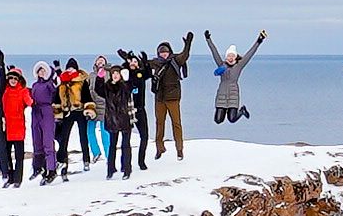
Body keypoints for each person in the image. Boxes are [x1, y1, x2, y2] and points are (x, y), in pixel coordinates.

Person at [145, 31, 194, 161]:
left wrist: (188, 44)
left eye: (165, 52)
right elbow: (141, 66)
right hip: (159, 98)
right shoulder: (155, 62)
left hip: (173, 98)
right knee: (159, 124)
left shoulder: (176, 60)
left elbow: (185, 55)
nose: (164, 54)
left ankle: (179, 149)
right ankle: (159, 148)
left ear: (170, 52)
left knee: (176, 123)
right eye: (161, 52)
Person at [206, 28, 266, 127]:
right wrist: (208, 39)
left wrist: (259, 41)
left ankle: (242, 111)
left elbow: (249, 54)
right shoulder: (221, 65)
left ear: (235, 57)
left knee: (232, 119)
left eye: (232, 56)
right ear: (226, 57)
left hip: (233, 95)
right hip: (222, 95)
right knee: (218, 120)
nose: (230, 58)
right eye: (228, 56)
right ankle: (227, 112)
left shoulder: (238, 66)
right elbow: (214, 52)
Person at [94, 55, 139, 179]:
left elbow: (132, 87)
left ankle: (127, 170)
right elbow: (98, 91)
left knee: (126, 145)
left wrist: (127, 78)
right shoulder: (107, 87)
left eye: (117, 73)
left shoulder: (124, 86)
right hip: (112, 120)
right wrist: (99, 78)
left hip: (125, 120)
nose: (115, 75)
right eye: (113, 73)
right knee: (112, 146)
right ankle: (110, 170)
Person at [0, 51, 31, 186]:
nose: (12, 80)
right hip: (5, 126)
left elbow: (29, 102)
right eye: (11, 78)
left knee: (19, 156)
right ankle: (10, 178)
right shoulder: (4, 90)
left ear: (19, 80)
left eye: (15, 79)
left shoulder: (23, 91)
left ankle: (18, 179)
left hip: (17, 127)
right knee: (6, 155)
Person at [55, 57, 93, 173]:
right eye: (68, 68)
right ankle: (62, 163)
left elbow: (87, 96)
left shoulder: (82, 81)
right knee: (64, 138)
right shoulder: (62, 81)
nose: (70, 70)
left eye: (72, 68)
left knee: (83, 137)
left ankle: (86, 160)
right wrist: (57, 113)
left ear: (76, 69)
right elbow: (57, 98)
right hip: (68, 113)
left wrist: (88, 110)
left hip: (80, 112)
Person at [29, 61, 63, 183]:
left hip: (47, 111)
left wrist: (54, 72)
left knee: (48, 141)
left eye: (44, 71)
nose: (42, 73)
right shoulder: (34, 85)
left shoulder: (49, 85)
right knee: (37, 140)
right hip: (35, 111)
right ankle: (39, 167)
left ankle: (51, 169)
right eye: (40, 71)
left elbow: (56, 86)